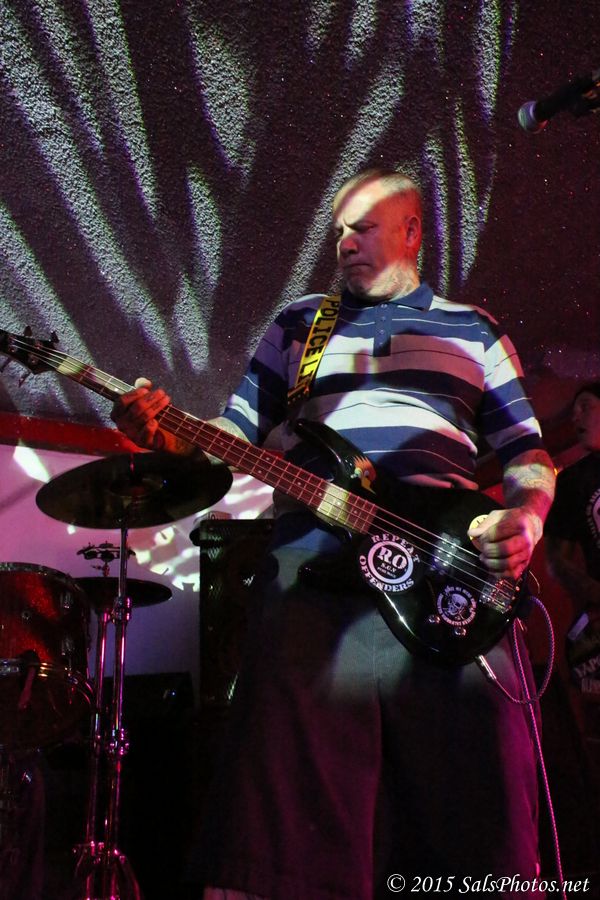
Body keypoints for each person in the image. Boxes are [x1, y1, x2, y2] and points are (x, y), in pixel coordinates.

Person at [111, 169, 556, 899]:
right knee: (286, 795)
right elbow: (235, 431)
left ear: (412, 231)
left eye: (363, 227)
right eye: (339, 231)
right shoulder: (300, 324)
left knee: (479, 790)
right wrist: (167, 433)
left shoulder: (475, 328)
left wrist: (527, 517)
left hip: (445, 565)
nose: (345, 243)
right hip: (315, 558)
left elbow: (527, 452)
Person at [545, 383, 600, 691]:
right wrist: (593, 592)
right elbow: (555, 561)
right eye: (573, 411)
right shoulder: (572, 482)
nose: (575, 417)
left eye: (585, 406)